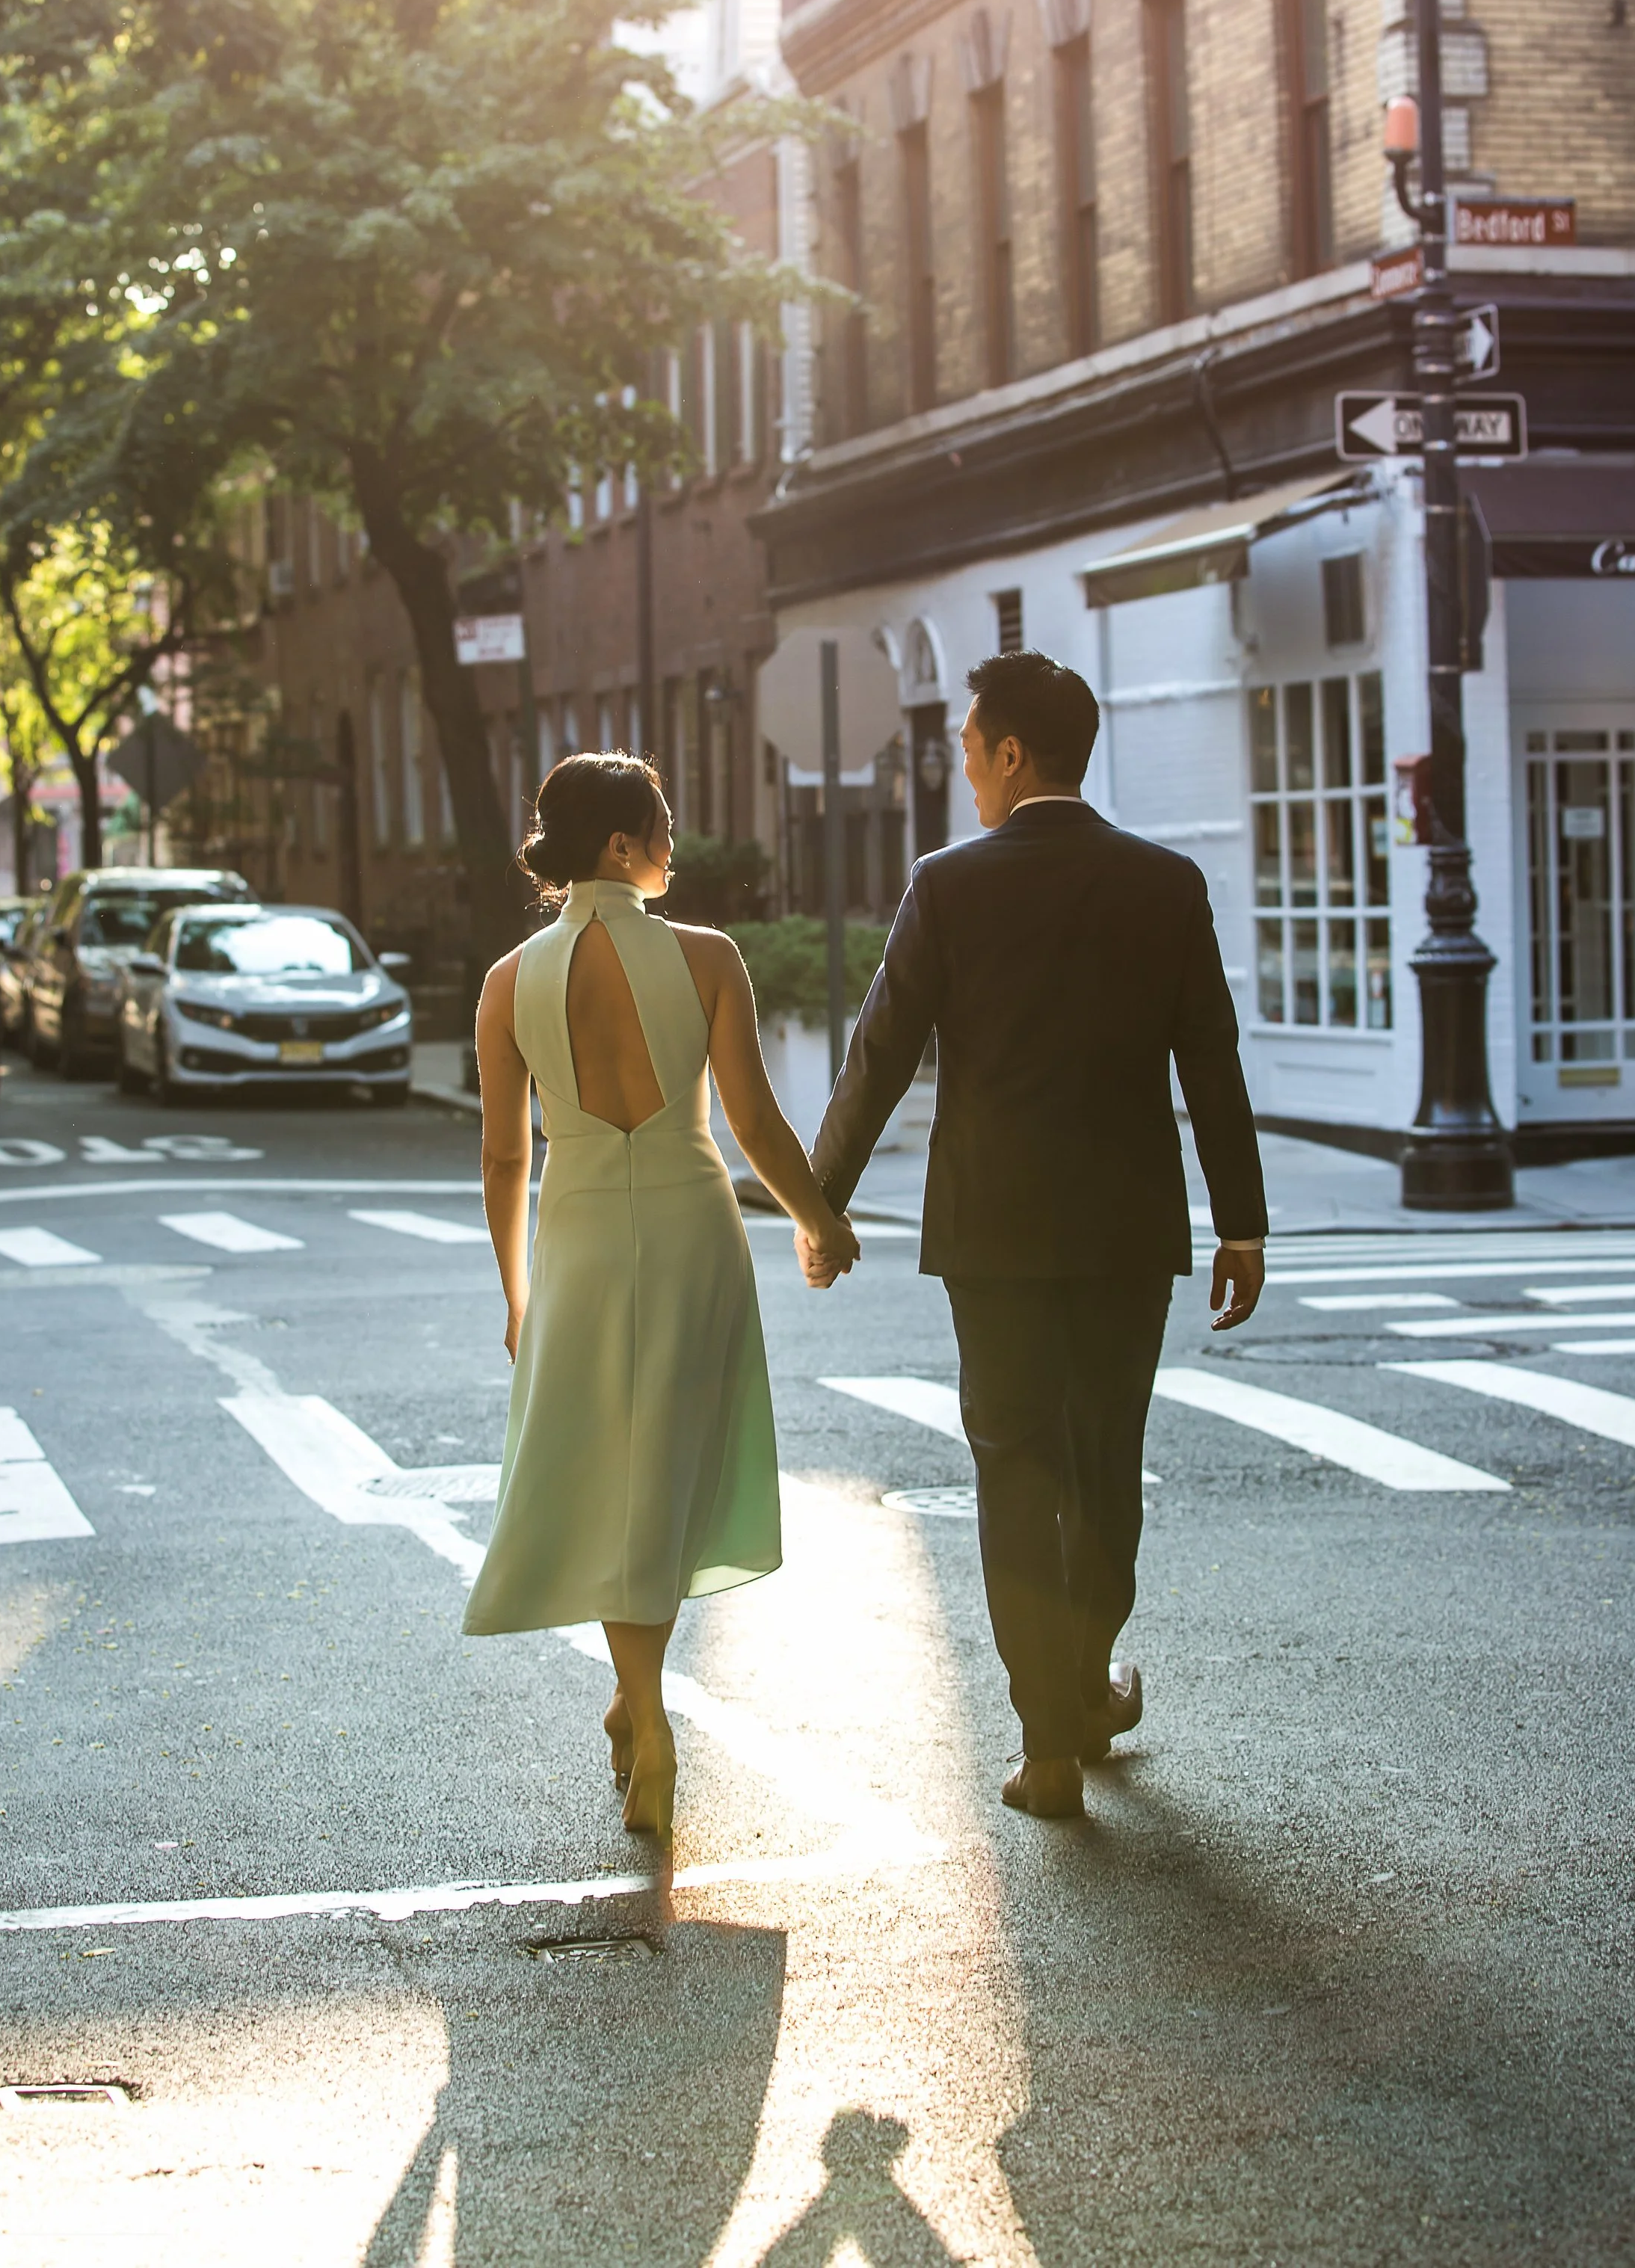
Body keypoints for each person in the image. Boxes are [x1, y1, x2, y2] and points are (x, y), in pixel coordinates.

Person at [804, 651, 1267, 1820]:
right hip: (1127, 1230)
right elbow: (1211, 1059)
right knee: (1105, 1464)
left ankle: (1047, 1740)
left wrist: (823, 1199)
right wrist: (1242, 1223)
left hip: (992, 1231)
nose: (963, 768)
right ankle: (1084, 1686)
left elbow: (879, 1052)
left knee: (1014, 1465)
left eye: (969, 748)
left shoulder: (946, 886)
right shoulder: (1166, 883)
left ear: (1013, 753)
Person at [465, 752, 860, 1845]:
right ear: (620, 845)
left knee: (609, 1474)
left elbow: (503, 1157)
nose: (675, 847)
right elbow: (753, 1121)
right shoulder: (709, 957)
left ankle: (641, 1712)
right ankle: (642, 1707)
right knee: (670, 1467)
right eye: (663, 828)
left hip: (581, 1235)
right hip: (692, 1226)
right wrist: (819, 1219)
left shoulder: (507, 981)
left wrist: (516, 1293)